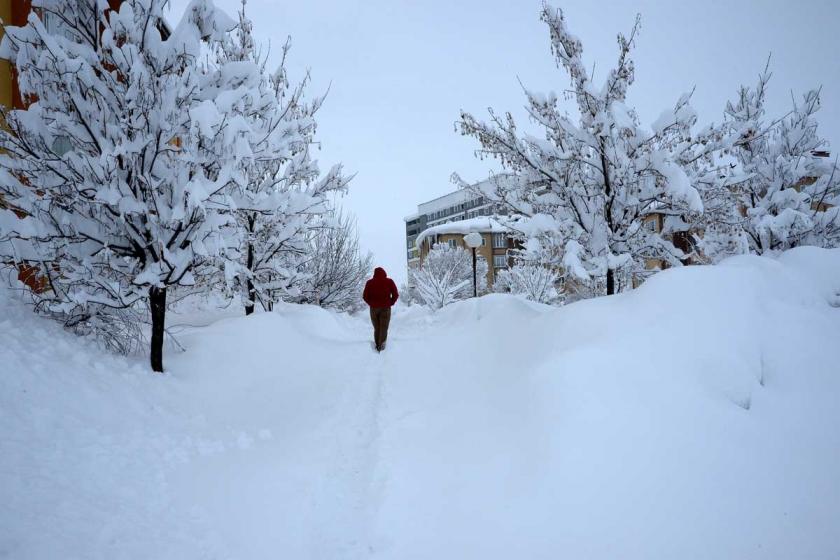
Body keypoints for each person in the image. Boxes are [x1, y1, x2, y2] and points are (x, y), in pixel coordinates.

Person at [362, 267, 399, 352]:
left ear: (374, 274)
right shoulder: (389, 281)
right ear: (384, 273)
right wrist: (391, 303)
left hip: (373, 309)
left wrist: (371, 304)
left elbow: (365, 296)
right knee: (384, 327)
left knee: (377, 327)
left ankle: (377, 345)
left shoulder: (369, 283)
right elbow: (396, 294)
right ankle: (382, 347)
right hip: (386, 308)